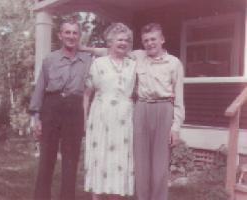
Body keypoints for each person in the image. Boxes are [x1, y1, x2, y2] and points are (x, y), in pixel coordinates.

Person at [81, 23, 185, 200]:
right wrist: (83, 48)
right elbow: (110, 50)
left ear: (162, 39)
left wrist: (176, 127)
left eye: (153, 39)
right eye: (146, 40)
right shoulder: (138, 56)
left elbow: (180, 98)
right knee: (140, 163)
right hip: (141, 108)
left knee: (160, 165)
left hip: (163, 108)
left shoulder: (174, 63)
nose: (150, 43)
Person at [29, 19, 92, 200]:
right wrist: (36, 118)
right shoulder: (50, 59)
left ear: (79, 36)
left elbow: (109, 50)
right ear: (60, 35)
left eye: (75, 33)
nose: (71, 36)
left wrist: (87, 49)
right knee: (46, 159)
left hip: (74, 110)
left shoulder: (87, 60)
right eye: (67, 32)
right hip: (52, 108)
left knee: (71, 162)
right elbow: (40, 88)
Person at [83, 23, 136, 200]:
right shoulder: (98, 63)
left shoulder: (133, 64)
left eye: (127, 40)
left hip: (124, 119)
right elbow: (87, 94)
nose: (123, 43)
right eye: (119, 39)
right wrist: (84, 118)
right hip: (101, 117)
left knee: (119, 161)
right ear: (110, 42)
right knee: (100, 159)